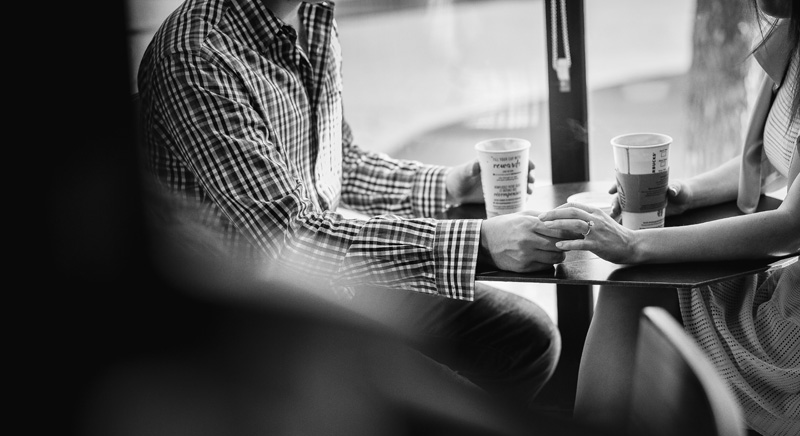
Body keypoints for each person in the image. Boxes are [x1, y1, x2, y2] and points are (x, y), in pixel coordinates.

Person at [136, 0, 569, 409]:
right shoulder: (195, 56)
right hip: (255, 320)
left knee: (530, 340)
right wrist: (481, 243)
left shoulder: (314, 18)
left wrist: (449, 184)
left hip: (328, 283)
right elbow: (287, 239)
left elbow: (337, 161)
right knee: (454, 409)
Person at [539, 0, 800, 436]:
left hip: (792, 316)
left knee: (638, 278)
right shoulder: (791, 39)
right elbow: (773, 163)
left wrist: (635, 245)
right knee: (632, 286)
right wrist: (684, 192)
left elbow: (789, 227)